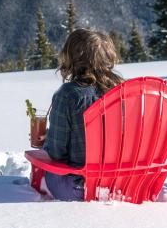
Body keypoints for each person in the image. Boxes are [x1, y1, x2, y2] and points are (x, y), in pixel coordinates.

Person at [41, 29, 123, 201]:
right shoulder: (126, 92)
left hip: (80, 187)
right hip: (122, 183)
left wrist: (48, 141)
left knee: (44, 171)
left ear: (71, 57)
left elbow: (57, 154)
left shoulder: (68, 95)